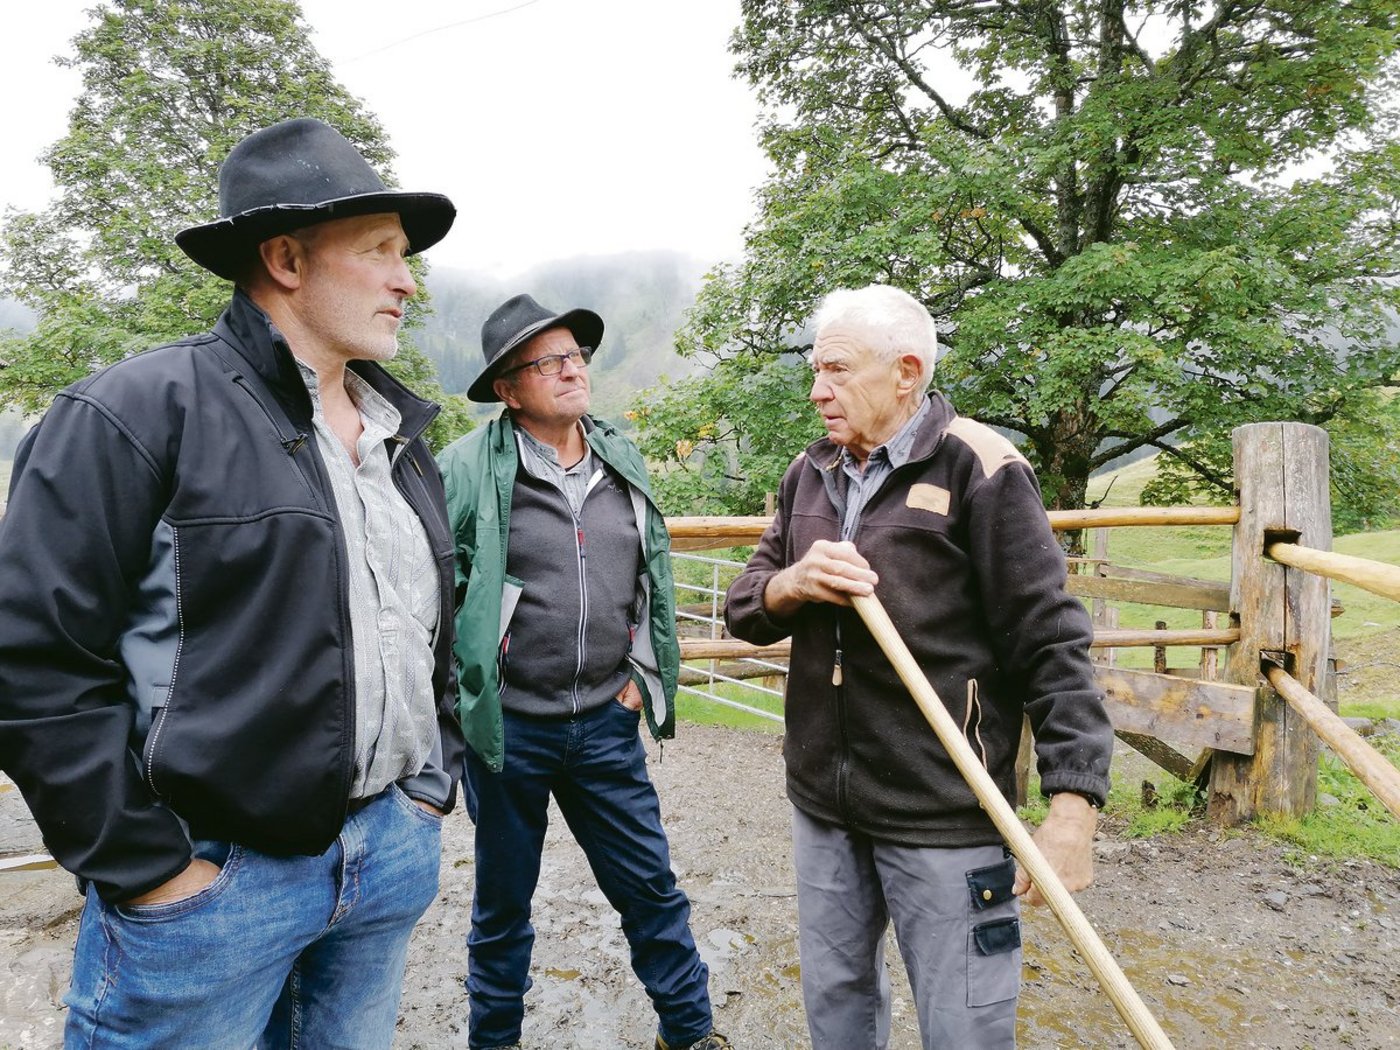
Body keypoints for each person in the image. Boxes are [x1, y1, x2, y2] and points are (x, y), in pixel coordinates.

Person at [0, 117, 465, 1049]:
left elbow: (425, 633)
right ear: (286, 259)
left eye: (404, 256)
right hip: (208, 887)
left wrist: (427, 788)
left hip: (386, 858)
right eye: (379, 250)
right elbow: (31, 658)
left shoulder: (399, 438)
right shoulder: (136, 411)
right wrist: (148, 868)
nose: (406, 281)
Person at [724, 284, 1113, 1049]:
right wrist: (791, 582)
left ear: (906, 371)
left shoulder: (982, 468)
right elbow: (746, 606)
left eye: (837, 370)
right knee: (836, 1003)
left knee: (964, 1025)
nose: (817, 391)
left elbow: (1050, 641)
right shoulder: (810, 471)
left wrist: (1074, 807)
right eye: (815, 370)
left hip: (948, 810)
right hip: (825, 803)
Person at [437, 294, 731, 1050]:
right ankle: (494, 1041)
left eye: (576, 356)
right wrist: (464, 699)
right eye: (550, 362)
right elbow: (437, 592)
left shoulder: (619, 458)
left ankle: (689, 1031)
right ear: (509, 389)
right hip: (509, 731)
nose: (573, 370)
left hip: (605, 721)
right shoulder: (464, 469)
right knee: (503, 904)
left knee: (650, 886)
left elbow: (648, 575)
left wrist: (640, 670)